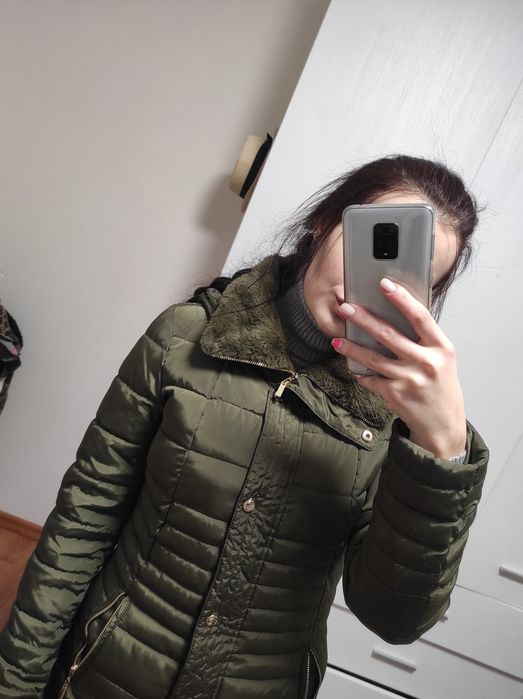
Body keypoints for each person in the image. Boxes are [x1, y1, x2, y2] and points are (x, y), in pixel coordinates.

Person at [0, 155, 489, 699]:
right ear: (323, 222)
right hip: (104, 675)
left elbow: (394, 618)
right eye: (372, 245)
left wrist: (443, 453)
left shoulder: (399, 424)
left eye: (404, 277)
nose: (368, 284)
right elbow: (81, 525)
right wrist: (16, 683)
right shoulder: (183, 338)